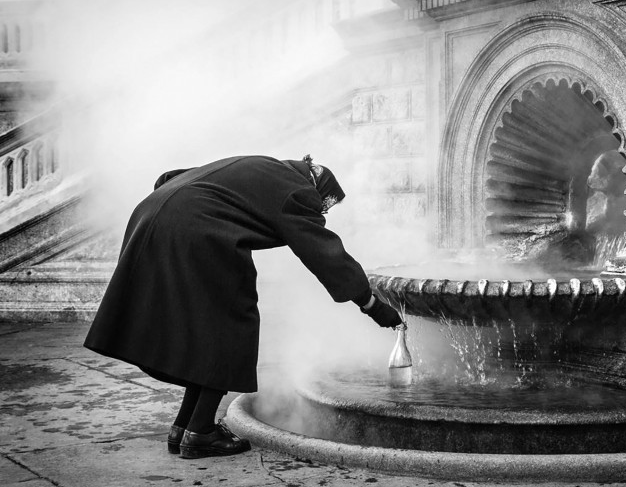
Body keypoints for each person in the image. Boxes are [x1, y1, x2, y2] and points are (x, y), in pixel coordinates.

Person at [84, 155, 403, 459]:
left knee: (210, 327)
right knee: (232, 324)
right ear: (317, 188)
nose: (321, 211)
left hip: (153, 217)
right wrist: (371, 304)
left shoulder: (264, 166)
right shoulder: (297, 190)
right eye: (324, 205)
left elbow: (168, 179)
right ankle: (201, 433)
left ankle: (183, 426)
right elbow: (323, 253)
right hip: (194, 231)